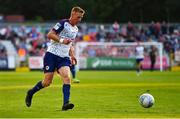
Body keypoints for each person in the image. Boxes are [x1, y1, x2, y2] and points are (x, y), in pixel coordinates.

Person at [25, 6, 85, 111]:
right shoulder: (63, 23)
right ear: (73, 14)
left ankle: (66, 103)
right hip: (52, 55)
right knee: (47, 82)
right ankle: (31, 92)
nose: (80, 20)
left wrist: (72, 55)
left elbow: (70, 43)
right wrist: (61, 40)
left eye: (81, 18)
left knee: (67, 77)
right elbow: (50, 34)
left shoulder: (76, 29)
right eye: (78, 17)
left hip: (64, 57)